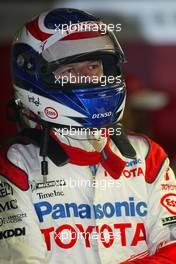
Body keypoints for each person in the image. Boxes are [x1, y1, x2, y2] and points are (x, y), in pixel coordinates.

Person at [0, 8, 176, 264]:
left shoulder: (146, 155)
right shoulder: (17, 164)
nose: (88, 78)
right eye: (71, 69)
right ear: (37, 79)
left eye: (93, 66)